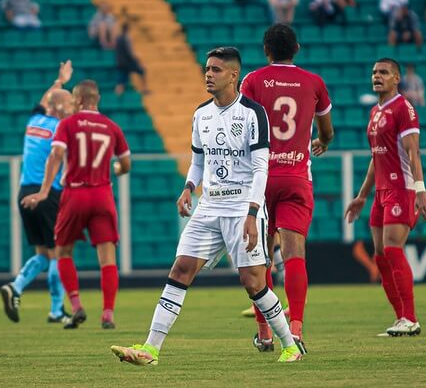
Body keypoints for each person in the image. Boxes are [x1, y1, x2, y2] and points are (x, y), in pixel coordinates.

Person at [111, 47, 303, 365]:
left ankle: (290, 346)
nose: (208, 74)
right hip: (209, 207)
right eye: (206, 69)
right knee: (181, 269)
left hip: (243, 208)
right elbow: (199, 162)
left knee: (253, 281)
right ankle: (150, 349)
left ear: (233, 75)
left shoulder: (253, 114)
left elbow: (261, 169)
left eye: (215, 69)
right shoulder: (201, 114)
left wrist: (254, 214)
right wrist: (188, 188)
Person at [240, 23, 334, 351]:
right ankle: (295, 329)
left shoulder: (252, 81)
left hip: (260, 178)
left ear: (267, 51)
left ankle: (265, 332)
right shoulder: (314, 83)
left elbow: (243, 128)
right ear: (296, 48)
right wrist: (320, 141)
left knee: (259, 257)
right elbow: (327, 131)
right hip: (296, 177)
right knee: (294, 254)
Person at [22, 79, 132, 330]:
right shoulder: (112, 126)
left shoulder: (68, 124)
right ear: (97, 99)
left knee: (62, 252)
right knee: (107, 259)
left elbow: (56, 155)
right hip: (103, 194)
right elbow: (126, 163)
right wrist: (116, 168)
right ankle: (108, 313)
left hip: (75, 193)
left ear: (79, 100)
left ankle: (76, 305)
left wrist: (44, 191)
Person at [345, 58, 426, 337]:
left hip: (403, 188)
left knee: (393, 249)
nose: (377, 76)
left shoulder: (403, 108)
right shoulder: (375, 111)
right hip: (381, 192)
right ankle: (400, 319)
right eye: (374, 72)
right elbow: (376, 158)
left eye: (383, 72)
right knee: (381, 256)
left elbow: (413, 151)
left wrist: (420, 188)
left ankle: (411, 317)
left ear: (397, 78)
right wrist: (361, 196)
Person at [0, 61, 75, 324]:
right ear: (59, 108)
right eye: (68, 105)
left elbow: (47, 101)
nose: (71, 108)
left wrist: (59, 81)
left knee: (42, 253)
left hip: (24, 191)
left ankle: (16, 286)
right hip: (47, 193)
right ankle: (56, 309)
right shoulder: (59, 129)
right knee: (59, 253)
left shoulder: (34, 121)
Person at [114, 23, 149, 95]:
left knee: (120, 82)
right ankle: (144, 89)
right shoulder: (127, 38)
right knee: (142, 71)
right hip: (128, 63)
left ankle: (117, 98)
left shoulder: (118, 38)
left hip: (120, 63)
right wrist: (137, 58)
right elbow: (130, 53)